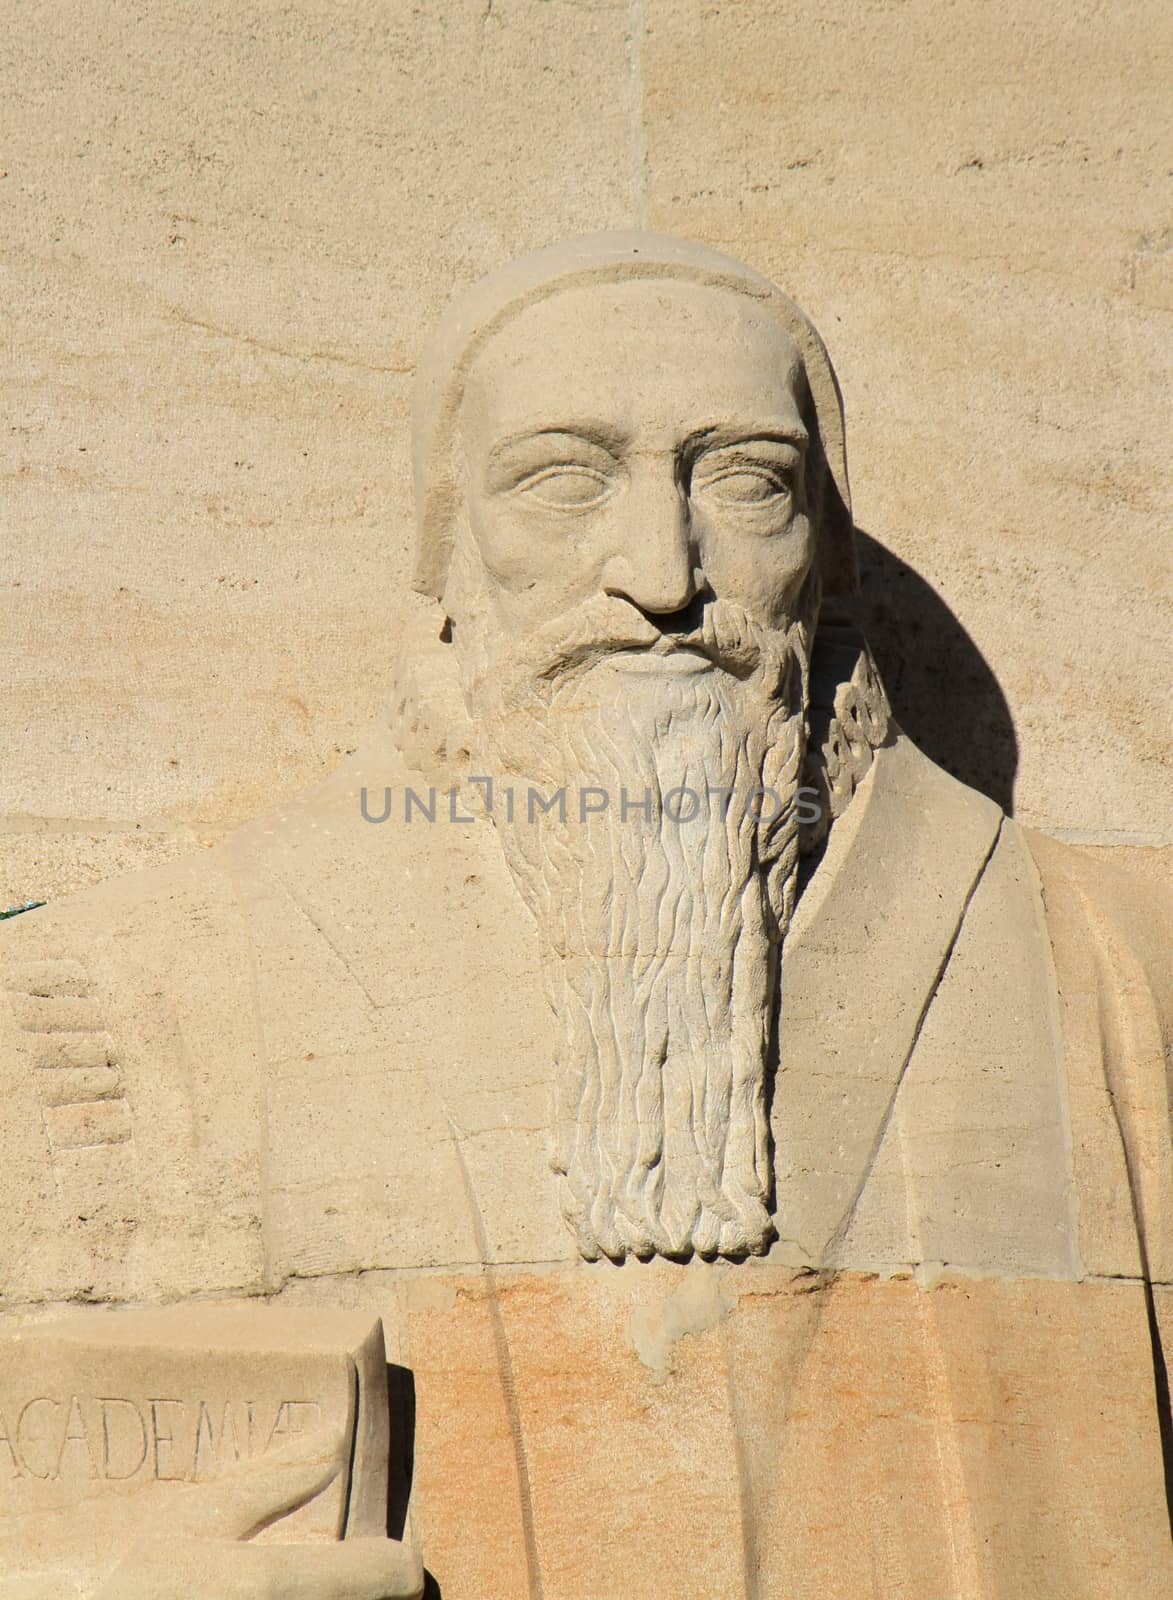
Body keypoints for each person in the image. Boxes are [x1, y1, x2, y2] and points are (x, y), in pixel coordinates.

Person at [2, 234, 1170, 1598]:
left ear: (827, 557)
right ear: (450, 549)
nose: (661, 574)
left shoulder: (1121, 969)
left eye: (745, 482)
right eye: (560, 481)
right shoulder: (121, 998)